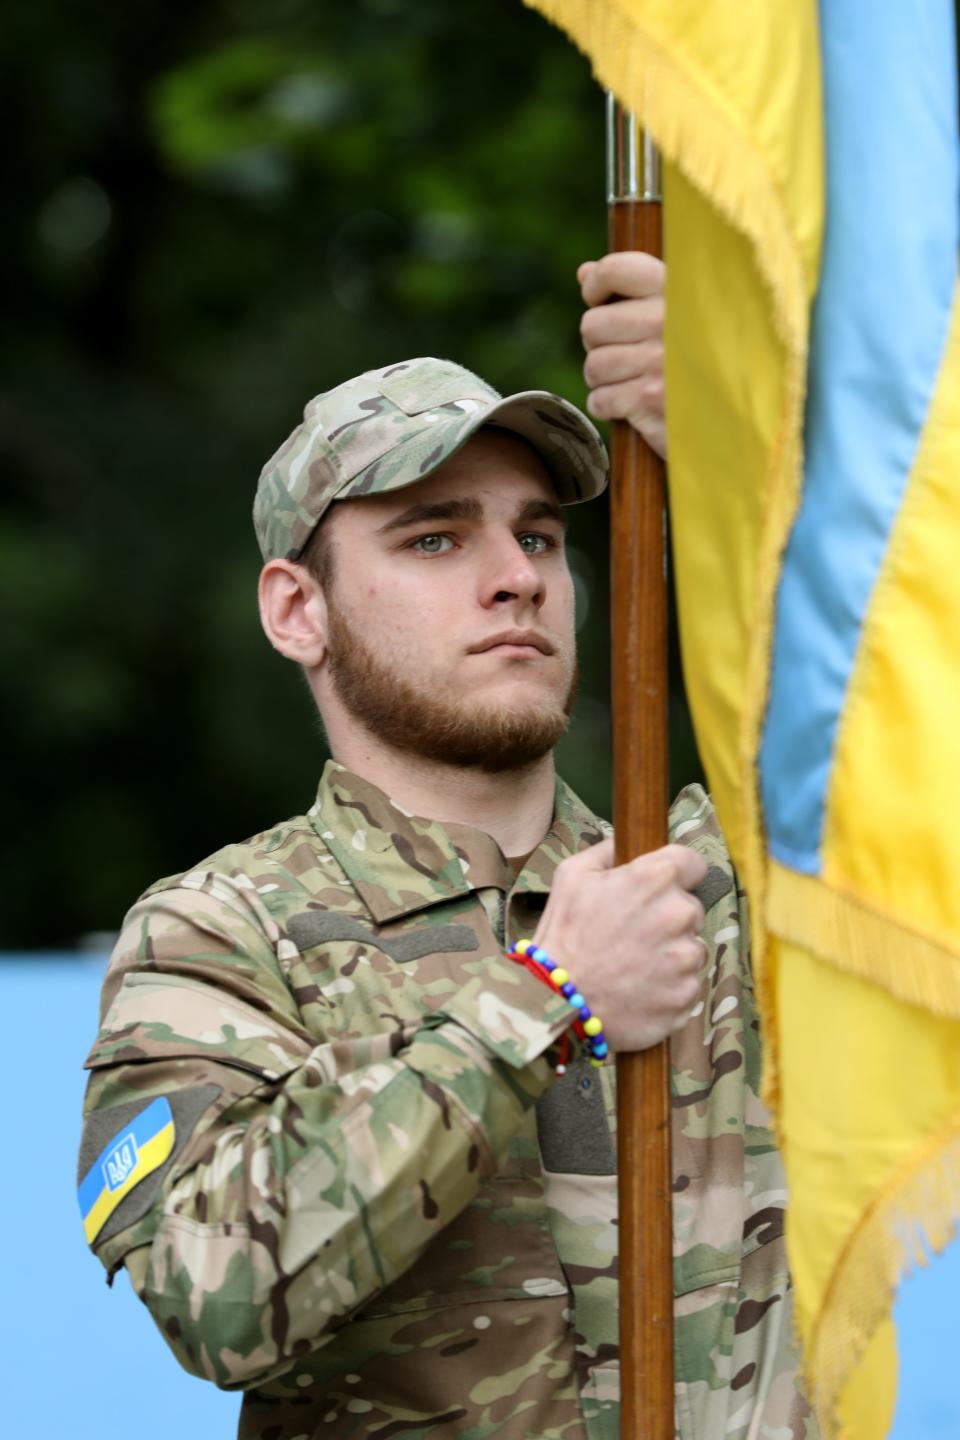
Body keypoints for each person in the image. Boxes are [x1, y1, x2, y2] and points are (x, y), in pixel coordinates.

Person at [77, 255, 816, 1440]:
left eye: (537, 535)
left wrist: (767, 458)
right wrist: (547, 998)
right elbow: (209, 1295)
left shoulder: (725, 882)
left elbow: (902, 709)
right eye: (433, 539)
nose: (516, 577)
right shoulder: (222, 929)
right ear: (295, 610)